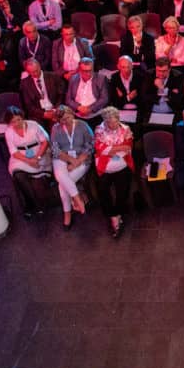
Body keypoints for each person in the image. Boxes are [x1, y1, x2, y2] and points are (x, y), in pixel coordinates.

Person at [3, 106, 53, 219]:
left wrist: (37, 157)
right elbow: (13, 151)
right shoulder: (8, 132)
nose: (17, 123)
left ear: (22, 117)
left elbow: (45, 142)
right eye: (13, 122)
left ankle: (29, 206)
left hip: (39, 152)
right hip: (21, 156)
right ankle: (36, 204)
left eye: (18, 119)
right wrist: (28, 161)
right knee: (18, 175)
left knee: (29, 176)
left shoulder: (34, 125)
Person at [49, 105, 93, 229]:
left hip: (82, 158)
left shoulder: (83, 125)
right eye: (63, 119)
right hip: (62, 158)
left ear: (72, 114)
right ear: (59, 121)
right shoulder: (55, 129)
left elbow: (90, 145)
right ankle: (77, 198)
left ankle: (67, 213)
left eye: (68, 117)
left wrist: (77, 161)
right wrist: (70, 160)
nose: (67, 121)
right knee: (62, 177)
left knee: (62, 184)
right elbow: (55, 149)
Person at [94, 106, 134, 236]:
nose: (113, 124)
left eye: (115, 120)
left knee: (122, 190)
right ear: (105, 121)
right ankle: (112, 215)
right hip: (104, 167)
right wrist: (118, 147)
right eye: (110, 122)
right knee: (102, 190)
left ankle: (118, 214)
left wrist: (110, 149)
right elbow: (100, 148)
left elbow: (128, 147)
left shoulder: (126, 129)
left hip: (122, 164)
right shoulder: (99, 130)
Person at [65, 57, 109, 121]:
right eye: (85, 71)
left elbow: (104, 99)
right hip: (77, 113)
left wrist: (89, 109)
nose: (88, 74)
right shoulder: (73, 79)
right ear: (79, 70)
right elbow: (68, 99)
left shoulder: (101, 79)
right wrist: (79, 107)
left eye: (90, 70)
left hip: (95, 113)